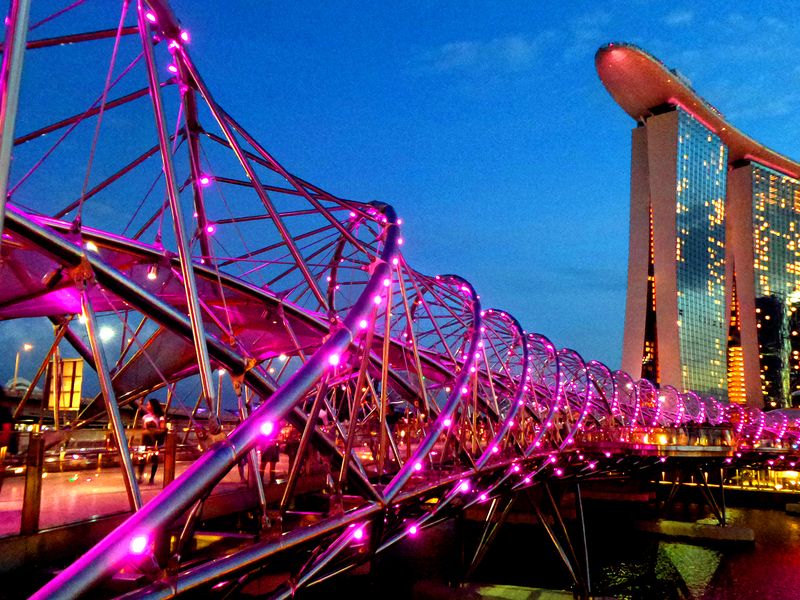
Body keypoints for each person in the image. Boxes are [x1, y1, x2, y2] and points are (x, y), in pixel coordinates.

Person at [137, 398, 166, 485]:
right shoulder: (145, 417)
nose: (147, 406)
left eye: (149, 404)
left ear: (153, 406)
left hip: (154, 440)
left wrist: (154, 430)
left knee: (154, 459)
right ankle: (140, 476)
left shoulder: (160, 417)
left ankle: (151, 478)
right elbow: (143, 429)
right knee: (141, 458)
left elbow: (162, 429)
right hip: (145, 440)